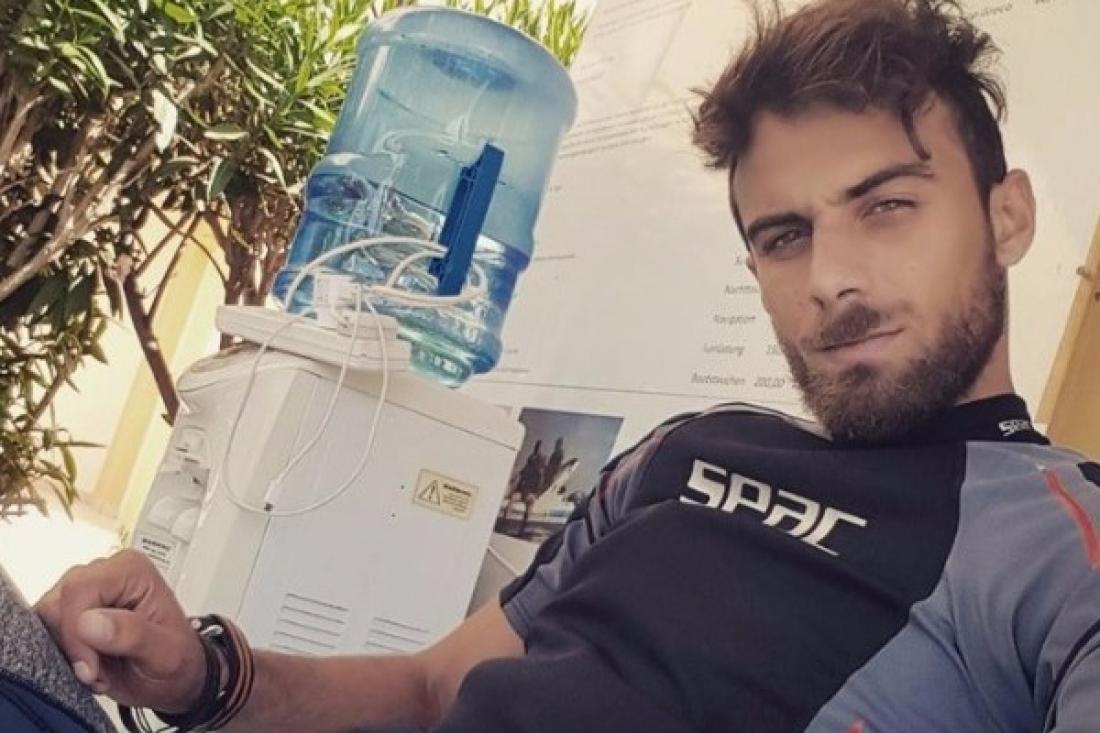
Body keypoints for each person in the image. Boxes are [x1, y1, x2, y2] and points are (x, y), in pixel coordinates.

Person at [34, 1, 1100, 731]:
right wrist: (205, 673)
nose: (830, 278)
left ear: (1006, 217)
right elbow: (430, 688)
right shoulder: (685, 452)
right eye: (784, 236)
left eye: (888, 205)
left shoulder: (1059, 541)